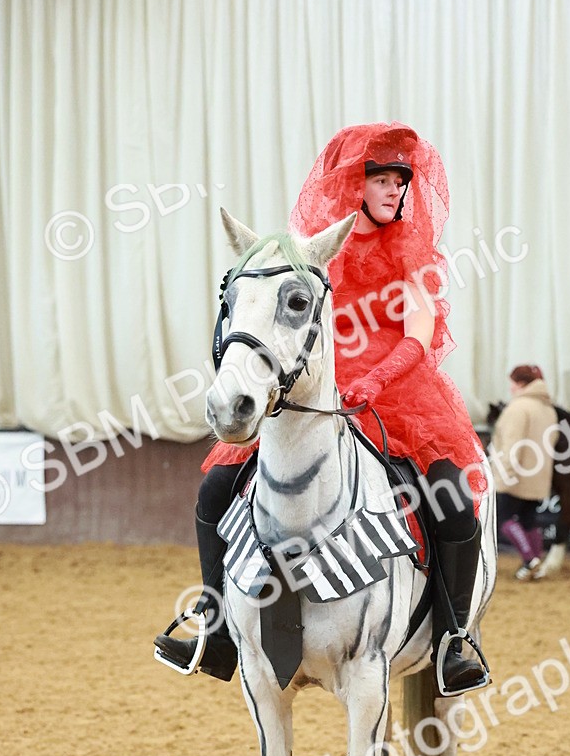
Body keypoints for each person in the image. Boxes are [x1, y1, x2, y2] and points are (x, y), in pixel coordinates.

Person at [155, 122, 490, 693]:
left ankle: (454, 639)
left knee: (453, 498)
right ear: (353, 184)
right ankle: (215, 629)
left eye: (400, 182)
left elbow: (419, 331)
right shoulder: (310, 248)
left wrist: (379, 378)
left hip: (398, 391)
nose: (395, 192)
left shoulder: (409, 248)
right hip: (313, 390)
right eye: (381, 179)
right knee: (215, 489)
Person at [489, 365, 556, 580]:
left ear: (520, 383)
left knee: (503, 518)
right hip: (539, 475)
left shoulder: (518, 408)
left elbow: (511, 446)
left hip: (515, 476)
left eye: (512, 383)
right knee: (529, 519)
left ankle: (530, 559)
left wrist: (502, 476)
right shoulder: (548, 409)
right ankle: (536, 563)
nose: (510, 388)